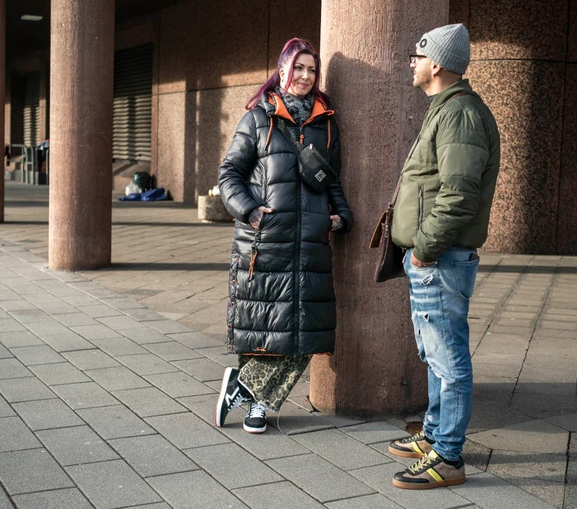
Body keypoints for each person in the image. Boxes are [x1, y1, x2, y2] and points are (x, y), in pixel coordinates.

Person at [214, 38, 354, 434]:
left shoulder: (326, 123)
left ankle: (248, 391)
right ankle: (256, 404)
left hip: (311, 241)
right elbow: (229, 176)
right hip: (265, 243)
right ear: (283, 71)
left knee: (307, 332)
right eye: (300, 69)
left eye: (313, 70)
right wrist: (251, 211)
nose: (306, 77)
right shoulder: (258, 119)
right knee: (267, 327)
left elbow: (332, 181)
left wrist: (341, 216)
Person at [386, 24, 500, 489]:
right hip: (435, 257)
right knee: (435, 354)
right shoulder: (447, 109)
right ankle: (435, 436)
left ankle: (448, 457)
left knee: (448, 357)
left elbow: (458, 195)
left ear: (436, 64)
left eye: (417, 56)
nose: (411, 63)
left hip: (442, 258)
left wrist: (426, 250)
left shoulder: (461, 114)